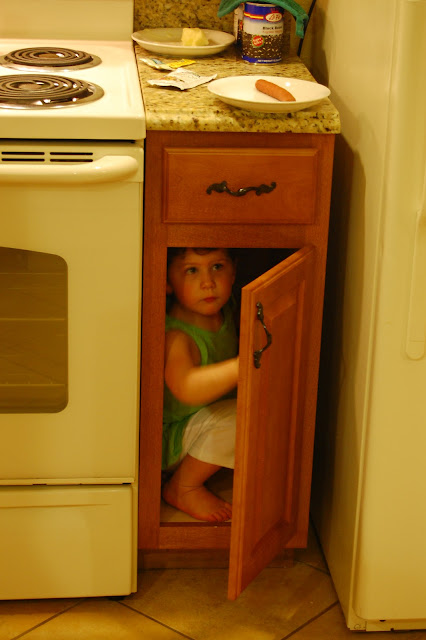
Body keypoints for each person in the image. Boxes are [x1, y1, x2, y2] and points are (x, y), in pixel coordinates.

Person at [162, 247, 239, 523]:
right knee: (243, 416)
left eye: (217, 267)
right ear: (167, 283)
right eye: (192, 270)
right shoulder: (177, 336)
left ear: (233, 272)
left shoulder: (224, 309)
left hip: (203, 425)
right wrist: (240, 367)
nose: (208, 282)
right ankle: (184, 486)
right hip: (171, 442)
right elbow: (186, 386)